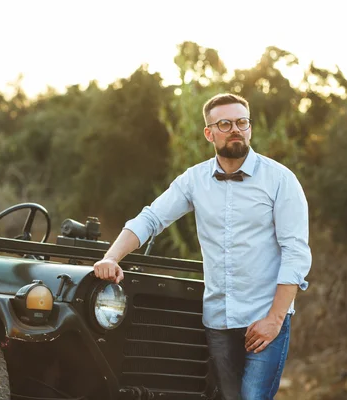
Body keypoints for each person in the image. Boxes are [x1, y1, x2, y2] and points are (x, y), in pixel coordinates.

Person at [93, 93, 312, 399]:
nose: (235, 129)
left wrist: (275, 320)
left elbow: (296, 252)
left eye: (242, 122)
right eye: (225, 123)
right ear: (209, 133)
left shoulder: (280, 181)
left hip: (265, 316)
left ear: (250, 128)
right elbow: (151, 218)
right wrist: (111, 257)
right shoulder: (194, 181)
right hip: (218, 320)